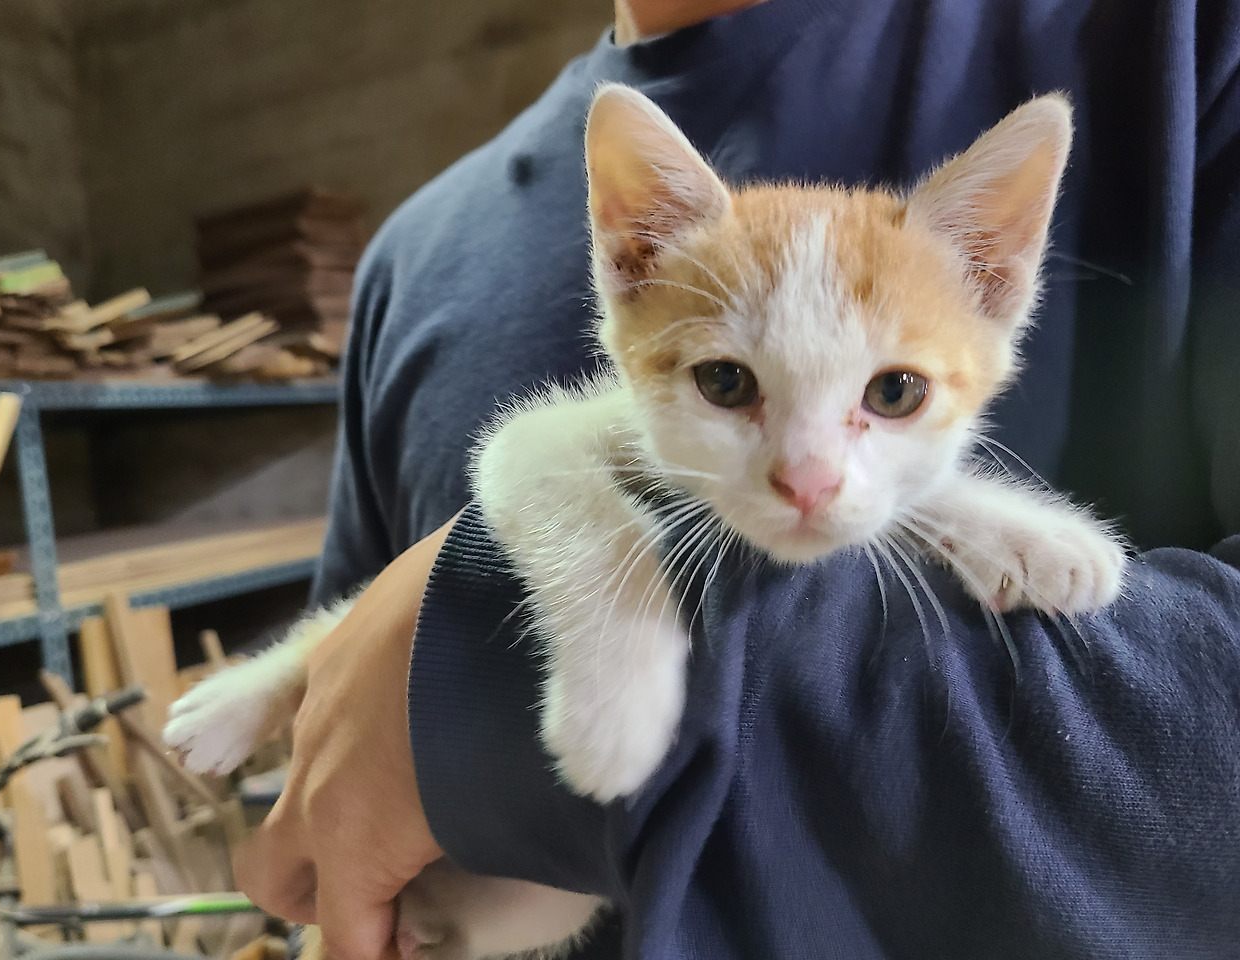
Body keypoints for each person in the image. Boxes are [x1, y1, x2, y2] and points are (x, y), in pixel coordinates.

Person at [235, 0, 1240, 957]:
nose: (806, 481)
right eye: (727, 382)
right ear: (629, 255)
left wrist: (468, 665)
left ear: (995, 277)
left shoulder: (1181, 41)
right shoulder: (411, 264)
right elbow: (338, 771)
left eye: (890, 391)